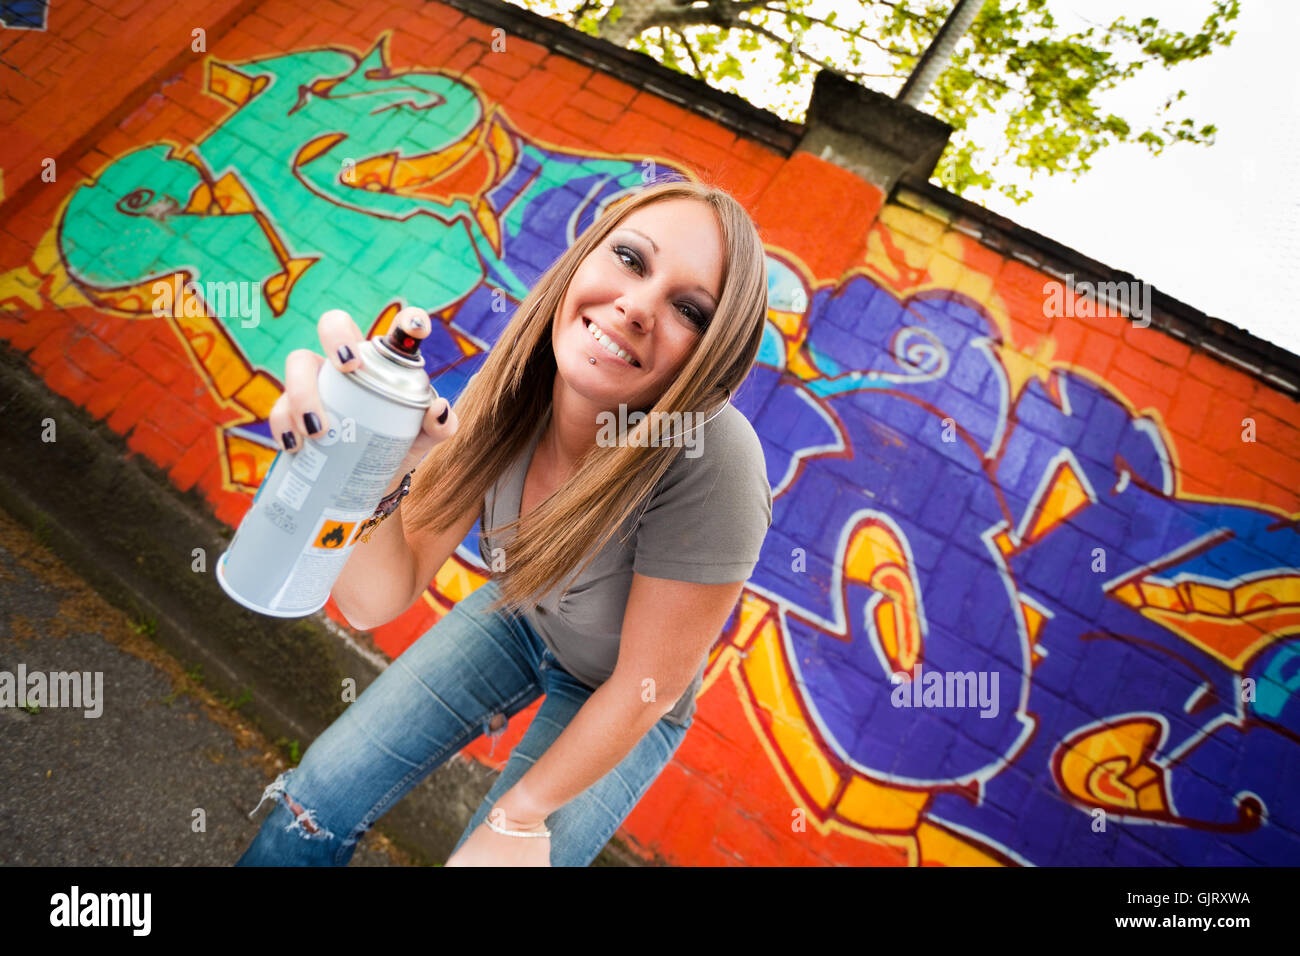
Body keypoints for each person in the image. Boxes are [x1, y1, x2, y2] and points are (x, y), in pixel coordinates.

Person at [235, 178, 772, 867]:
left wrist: (519, 816)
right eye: (632, 260)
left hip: (621, 695)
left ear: (713, 360)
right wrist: (364, 465)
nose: (637, 305)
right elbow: (372, 601)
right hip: (519, 615)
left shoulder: (714, 459)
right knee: (314, 801)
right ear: (581, 261)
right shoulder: (516, 390)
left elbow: (650, 687)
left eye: (690, 310)